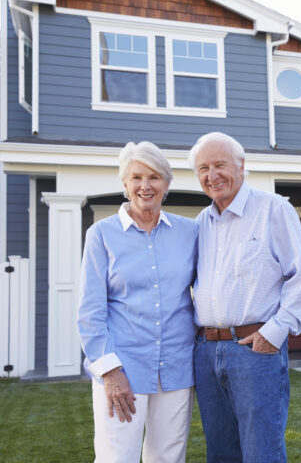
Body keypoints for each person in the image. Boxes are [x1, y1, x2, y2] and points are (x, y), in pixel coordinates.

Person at [190, 132, 301, 463]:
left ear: (242, 166)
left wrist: (274, 334)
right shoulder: (200, 224)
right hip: (206, 352)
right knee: (221, 453)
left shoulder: (273, 209)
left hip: (254, 349)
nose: (211, 175)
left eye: (220, 165)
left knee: (262, 452)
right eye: (203, 168)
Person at [77, 141, 198, 463]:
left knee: (169, 457)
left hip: (177, 366)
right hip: (123, 368)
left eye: (154, 177)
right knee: (117, 457)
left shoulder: (191, 232)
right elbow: (90, 311)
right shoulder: (102, 234)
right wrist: (110, 373)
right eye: (137, 177)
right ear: (125, 184)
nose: (145, 186)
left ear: (167, 183)